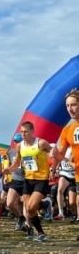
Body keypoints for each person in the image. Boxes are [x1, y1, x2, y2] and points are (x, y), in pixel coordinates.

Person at [3, 121, 54, 242]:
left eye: (25, 131)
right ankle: (41, 232)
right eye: (21, 132)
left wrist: (53, 168)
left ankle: (44, 206)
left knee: (31, 207)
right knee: (29, 208)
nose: (23, 134)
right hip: (28, 179)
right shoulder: (20, 146)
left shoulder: (40, 143)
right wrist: (9, 169)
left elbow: (54, 154)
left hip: (41, 179)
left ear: (32, 131)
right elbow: (17, 163)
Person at [53, 89, 79, 234]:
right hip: (78, 173)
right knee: (75, 202)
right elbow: (61, 154)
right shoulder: (68, 129)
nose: (70, 109)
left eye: (74, 105)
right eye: (68, 106)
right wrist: (53, 153)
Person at [5, 133, 27, 232]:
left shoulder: (27, 151)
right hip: (15, 180)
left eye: (19, 141)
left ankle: (27, 225)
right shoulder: (10, 152)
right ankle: (20, 217)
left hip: (26, 181)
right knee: (9, 203)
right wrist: (6, 175)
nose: (17, 143)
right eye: (15, 141)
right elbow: (9, 164)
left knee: (26, 203)